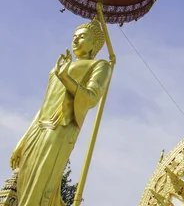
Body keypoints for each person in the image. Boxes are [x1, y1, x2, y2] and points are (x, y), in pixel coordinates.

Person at [9, 19, 111, 205]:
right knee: (24, 184)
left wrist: (65, 77)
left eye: (82, 37)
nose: (75, 40)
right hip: (38, 129)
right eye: (74, 36)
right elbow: (45, 106)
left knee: (40, 186)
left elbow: (91, 98)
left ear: (94, 44)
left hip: (60, 127)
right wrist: (22, 141)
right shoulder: (59, 67)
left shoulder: (100, 65)